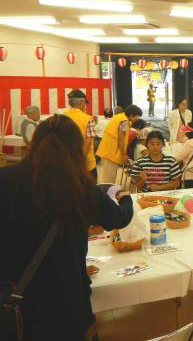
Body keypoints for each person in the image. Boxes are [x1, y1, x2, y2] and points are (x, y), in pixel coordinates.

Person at [0, 114, 133, 341]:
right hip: (66, 292)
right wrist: (125, 197)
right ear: (77, 147)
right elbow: (118, 219)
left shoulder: (5, 180)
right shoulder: (80, 186)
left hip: (16, 291)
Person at [96, 105, 142, 184]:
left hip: (108, 150)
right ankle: (108, 196)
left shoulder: (119, 117)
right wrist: (124, 155)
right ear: (131, 115)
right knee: (109, 180)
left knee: (107, 177)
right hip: (111, 153)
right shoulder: (124, 121)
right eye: (137, 116)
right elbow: (121, 138)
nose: (137, 119)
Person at [64, 90, 98, 180]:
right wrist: (80, 160)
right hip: (86, 163)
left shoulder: (63, 116)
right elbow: (88, 141)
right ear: (81, 102)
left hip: (66, 161)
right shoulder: (88, 118)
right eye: (85, 103)